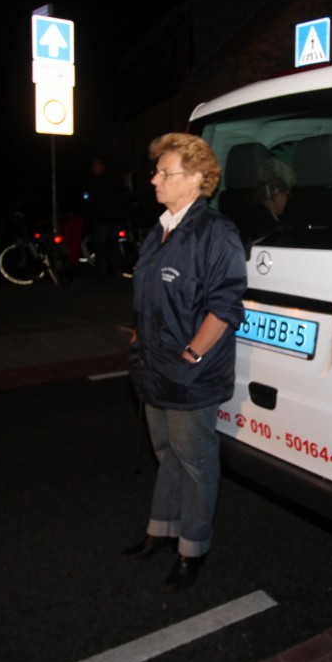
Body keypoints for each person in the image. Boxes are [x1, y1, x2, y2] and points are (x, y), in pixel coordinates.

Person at [124, 132, 246, 591]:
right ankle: (161, 529)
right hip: (152, 369)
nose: (154, 179)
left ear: (195, 178)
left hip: (190, 374)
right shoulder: (160, 229)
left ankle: (193, 548)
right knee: (165, 453)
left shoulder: (216, 232)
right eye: (156, 171)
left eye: (164, 172)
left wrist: (192, 354)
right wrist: (138, 340)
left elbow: (226, 307)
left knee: (195, 460)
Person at [86, 157, 127, 281]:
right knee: (113, 246)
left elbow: (94, 202)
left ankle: (104, 275)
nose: (93, 169)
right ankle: (117, 272)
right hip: (113, 219)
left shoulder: (99, 183)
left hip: (103, 220)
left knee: (101, 248)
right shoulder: (114, 180)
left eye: (95, 166)